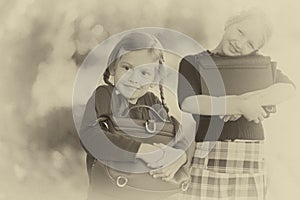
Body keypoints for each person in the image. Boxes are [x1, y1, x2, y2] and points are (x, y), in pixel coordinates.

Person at [177, 9, 296, 200]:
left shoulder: (258, 67)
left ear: (256, 49)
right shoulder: (194, 62)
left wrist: (252, 99)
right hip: (209, 151)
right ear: (229, 23)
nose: (240, 44)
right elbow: (190, 102)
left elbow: (288, 88)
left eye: (250, 44)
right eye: (240, 32)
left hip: (250, 154)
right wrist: (237, 104)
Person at [79, 32, 193, 200]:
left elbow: (180, 135)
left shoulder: (154, 103)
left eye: (144, 73)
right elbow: (89, 136)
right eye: (127, 68)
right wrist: (140, 149)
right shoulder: (104, 95)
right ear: (112, 67)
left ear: (156, 78)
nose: (133, 78)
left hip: (147, 192)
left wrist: (181, 156)